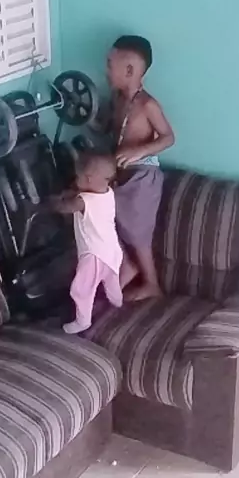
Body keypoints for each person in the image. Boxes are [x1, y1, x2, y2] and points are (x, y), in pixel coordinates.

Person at [106, 35, 175, 300]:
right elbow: (111, 129)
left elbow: (168, 137)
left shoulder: (147, 105)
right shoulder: (117, 100)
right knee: (108, 219)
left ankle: (151, 283)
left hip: (143, 177)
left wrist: (139, 150)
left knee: (138, 232)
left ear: (129, 70)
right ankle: (128, 265)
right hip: (120, 174)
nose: (105, 70)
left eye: (110, 64)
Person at [52, 152, 123, 334]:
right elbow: (85, 195)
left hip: (93, 256)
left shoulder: (83, 201)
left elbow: (65, 207)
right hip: (112, 251)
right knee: (111, 280)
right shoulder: (108, 193)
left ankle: (83, 321)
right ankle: (118, 302)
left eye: (78, 177)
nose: (76, 180)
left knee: (81, 290)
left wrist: (53, 202)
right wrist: (73, 192)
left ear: (89, 179)